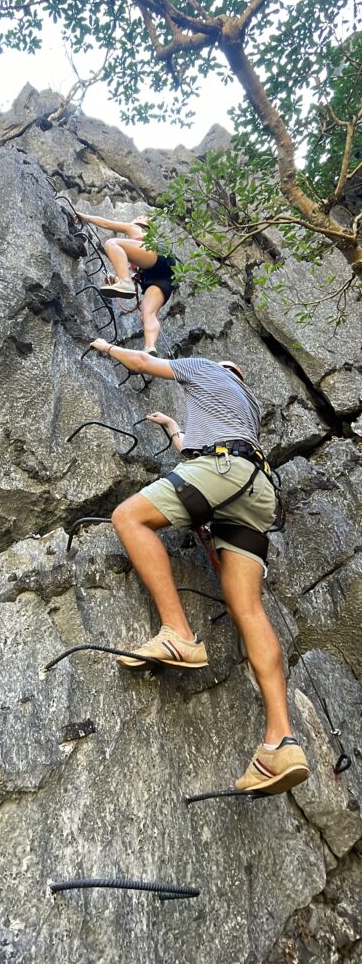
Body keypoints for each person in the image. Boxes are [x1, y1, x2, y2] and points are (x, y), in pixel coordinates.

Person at [88, 339, 310, 795]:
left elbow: (146, 362)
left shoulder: (202, 368)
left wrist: (107, 347)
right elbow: (195, 450)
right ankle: (281, 741)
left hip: (223, 470)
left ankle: (178, 634)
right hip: (256, 490)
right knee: (247, 609)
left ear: (218, 367)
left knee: (129, 517)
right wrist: (172, 426)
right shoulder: (242, 406)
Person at [76, 210, 177, 355]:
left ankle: (124, 282)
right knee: (148, 313)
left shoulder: (137, 229)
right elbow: (136, 278)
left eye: (140, 216)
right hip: (164, 276)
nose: (138, 217)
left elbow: (106, 223)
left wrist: (85, 216)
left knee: (112, 243)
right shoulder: (142, 253)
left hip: (155, 263)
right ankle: (150, 347)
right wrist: (116, 279)